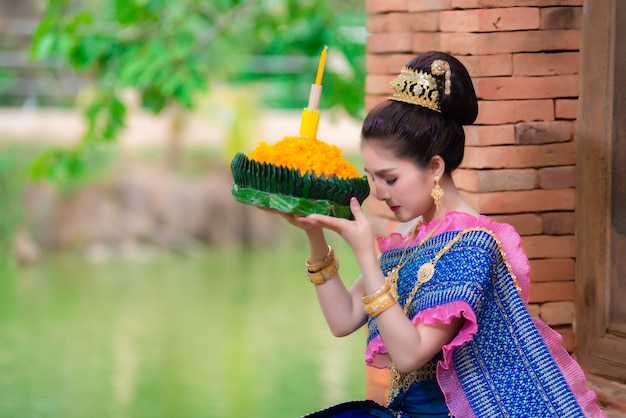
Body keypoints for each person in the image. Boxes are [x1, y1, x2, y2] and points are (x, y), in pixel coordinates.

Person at [264, 51, 606, 417]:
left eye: (390, 178)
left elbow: (409, 356)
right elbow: (343, 318)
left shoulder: (474, 246)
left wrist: (365, 253)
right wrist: (314, 234)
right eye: (372, 177)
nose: (378, 192)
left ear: (435, 167)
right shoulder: (411, 237)